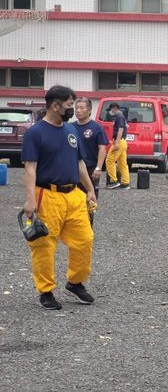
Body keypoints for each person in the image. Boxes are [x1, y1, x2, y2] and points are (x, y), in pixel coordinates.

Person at [21, 85, 97, 310]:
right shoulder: (36, 133)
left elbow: (80, 162)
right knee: (44, 245)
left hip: (73, 195)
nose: (72, 109)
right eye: (69, 105)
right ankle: (46, 291)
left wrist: (89, 189)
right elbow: (30, 168)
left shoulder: (71, 131)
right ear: (55, 106)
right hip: (47, 195)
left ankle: (75, 282)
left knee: (84, 240)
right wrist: (30, 199)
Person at [73, 97, 109, 207]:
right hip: (73, 168)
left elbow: (102, 148)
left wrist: (98, 168)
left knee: (89, 199)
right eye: (76, 108)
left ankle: (89, 222)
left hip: (90, 169)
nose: (78, 110)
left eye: (81, 108)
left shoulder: (97, 128)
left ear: (89, 110)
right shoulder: (70, 127)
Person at [105, 102, 130, 189]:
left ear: (115, 108)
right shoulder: (123, 117)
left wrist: (116, 143)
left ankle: (113, 181)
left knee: (109, 160)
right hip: (123, 142)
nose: (110, 112)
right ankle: (125, 183)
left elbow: (120, 130)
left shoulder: (119, 117)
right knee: (122, 163)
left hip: (119, 141)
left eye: (111, 110)